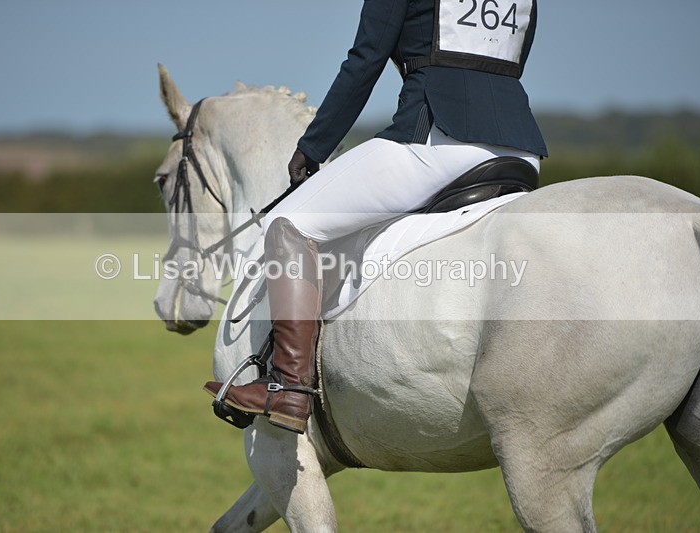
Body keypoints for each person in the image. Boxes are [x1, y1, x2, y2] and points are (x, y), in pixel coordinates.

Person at [205, 0, 548, 434]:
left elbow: (365, 60)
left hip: (436, 139)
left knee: (288, 224)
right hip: (521, 148)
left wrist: (314, 146)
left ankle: (288, 385)